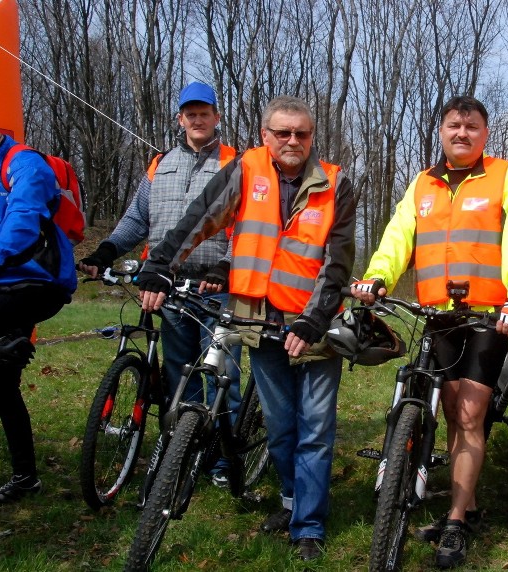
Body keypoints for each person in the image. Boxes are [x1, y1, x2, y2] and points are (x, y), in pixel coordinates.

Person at [135, 95, 356, 561]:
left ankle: (310, 527)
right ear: (265, 135)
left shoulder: (336, 183)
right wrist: (159, 264)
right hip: (258, 324)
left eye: (302, 133)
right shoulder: (245, 170)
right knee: (279, 428)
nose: (293, 140)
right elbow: (199, 217)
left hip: (313, 327)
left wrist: (315, 320)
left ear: (311, 137)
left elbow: (338, 262)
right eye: (283, 133)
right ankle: (293, 501)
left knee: (314, 429)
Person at [351, 96, 508, 569]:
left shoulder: (505, 176)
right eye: (454, 125)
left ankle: (455, 520)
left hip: (489, 314)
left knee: (471, 413)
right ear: (441, 130)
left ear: (485, 133)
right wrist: (378, 276)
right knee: (452, 411)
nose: (462, 133)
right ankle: (469, 503)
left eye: (472, 126)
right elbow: (399, 236)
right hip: (437, 313)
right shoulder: (424, 183)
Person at [78, 82, 242, 485]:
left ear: (217, 117)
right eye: (190, 113)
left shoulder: (237, 164)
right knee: (178, 371)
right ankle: (180, 450)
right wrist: (105, 251)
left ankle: (225, 459)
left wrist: (226, 265)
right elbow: (137, 219)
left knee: (222, 376)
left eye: (205, 112)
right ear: (180, 118)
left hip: (216, 288)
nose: (197, 119)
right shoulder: (160, 163)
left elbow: (247, 227)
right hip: (167, 284)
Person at [0, 133, 77, 503]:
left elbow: (23, 217)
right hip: (7, 285)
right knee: (2, 385)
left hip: (33, 281)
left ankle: (8, 344)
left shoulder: (24, 163)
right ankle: (25, 477)